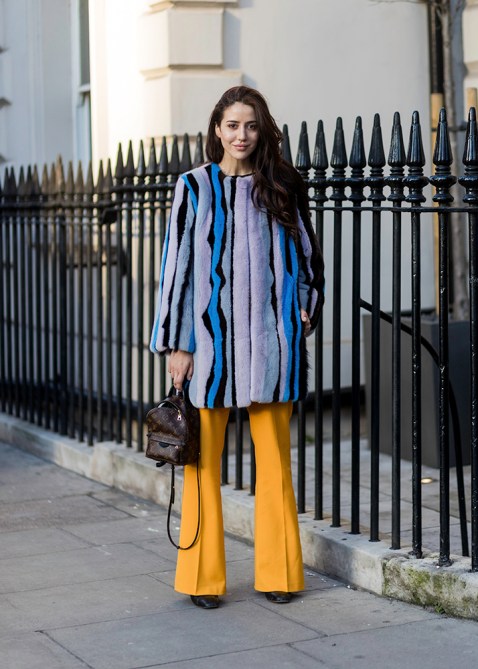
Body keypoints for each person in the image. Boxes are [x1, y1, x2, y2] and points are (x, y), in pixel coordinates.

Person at [150, 86, 324, 609]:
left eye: (250, 125)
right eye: (232, 125)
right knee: (203, 465)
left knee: (275, 463)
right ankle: (202, 579)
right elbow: (176, 270)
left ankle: (279, 573)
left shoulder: (282, 184)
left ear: (261, 128)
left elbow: (307, 255)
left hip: (273, 344)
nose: (241, 135)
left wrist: (305, 305)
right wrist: (177, 344)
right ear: (217, 129)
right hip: (210, 345)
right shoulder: (194, 186)